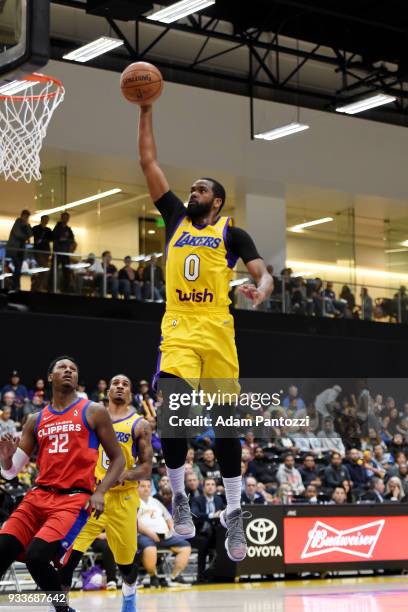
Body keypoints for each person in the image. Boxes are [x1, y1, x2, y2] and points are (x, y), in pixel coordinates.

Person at [138, 102, 272, 563]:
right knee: (173, 409)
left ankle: (233, 511)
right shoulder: (174, 216)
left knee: (227, 426)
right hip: (178, 324)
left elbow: (264, 273)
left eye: (201, 189)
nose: (192, 191)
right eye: (190, 187)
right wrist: (146, 109)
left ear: (215, 201)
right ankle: (178, 497)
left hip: (218, 328)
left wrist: (261, 288)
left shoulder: (233, 234)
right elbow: (149, 163)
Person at [0, 356, 125, 612]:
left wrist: (100, 491)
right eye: (62, 367)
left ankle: (61, 609)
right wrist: (5, 458)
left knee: (37, 558)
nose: (68, 371)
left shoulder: (93, 411)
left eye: (73, 369)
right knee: (3, 549)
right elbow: (11, 473)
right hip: (37, 496)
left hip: (73, 499)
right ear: (50, 377)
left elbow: (119, 459)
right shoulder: (36, 419)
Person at [59, 374, 153, 612]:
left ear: (130, 393)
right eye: (115, 384)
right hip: (91, 496)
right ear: (107, 391)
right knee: (66, 557)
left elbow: (147, 467)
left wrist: (126, 475)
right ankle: (58, 607)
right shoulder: (92, 417)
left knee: (126, 564)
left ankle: (129, 596)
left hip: (124, 499)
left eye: (125, 384)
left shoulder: (139, 424)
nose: (120, 387)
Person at [137, 479, 191, 587]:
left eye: (148, 486)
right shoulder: (133, 502)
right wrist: (151, 534)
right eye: (143, 486)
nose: (146, 488)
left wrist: (171, 529)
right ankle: (153, 577)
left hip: (164, 535)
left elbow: (168, 518)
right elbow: (135, 523)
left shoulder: (156, 502)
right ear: (136, 488)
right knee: (150, 549)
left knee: (186, 547)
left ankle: (175, 577)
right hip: (144, 535)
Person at [6, 209, 33, 291]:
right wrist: (26, 237)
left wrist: (27, 225)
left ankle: (16, 284)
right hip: (14, 250)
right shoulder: (17, 222)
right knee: (17, 267)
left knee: (18, 268)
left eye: (27, 216)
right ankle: (15, 284)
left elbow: (31, 234)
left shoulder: (27, 225)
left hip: (21, 250)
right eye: (25, 216)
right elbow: (18, 234)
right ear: (21, 215)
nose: (26, 218)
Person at [51, 212, 76, 293]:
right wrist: (61, 240)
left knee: (66, 272)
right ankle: (51, 289)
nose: (65, 219)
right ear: (61, 218)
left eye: (67, 218)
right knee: (54, 271)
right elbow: (54, 237)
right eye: (64, 217)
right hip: (57, 253)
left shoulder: (69, 229)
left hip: (65, 254)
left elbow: (72, 240)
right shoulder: (57, 228)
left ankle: (65, 290)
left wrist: (67, 243)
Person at [32, 215, 53, 292]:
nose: (46, 221)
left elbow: (52, 239)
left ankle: (37, 287)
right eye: (45, 219)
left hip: (46, 252)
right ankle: (37, 287)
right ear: (41, 219)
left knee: (43, 271)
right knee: (45, 270)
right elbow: (32, 237)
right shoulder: (35, 228)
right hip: (38, 252)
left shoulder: (48, 230)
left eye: (47, 220)